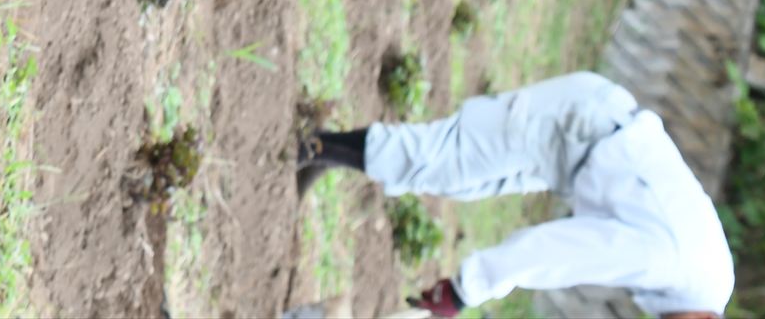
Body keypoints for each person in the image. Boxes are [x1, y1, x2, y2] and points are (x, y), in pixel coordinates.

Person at [297, 72, 733, 318]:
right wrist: (464, 290)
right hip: (575, 126)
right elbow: (556, 252)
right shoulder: (663, 261)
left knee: (462, 180)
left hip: (580, 150)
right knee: (447, 161)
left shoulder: (713, 284)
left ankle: (324, 152)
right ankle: (311, 147)